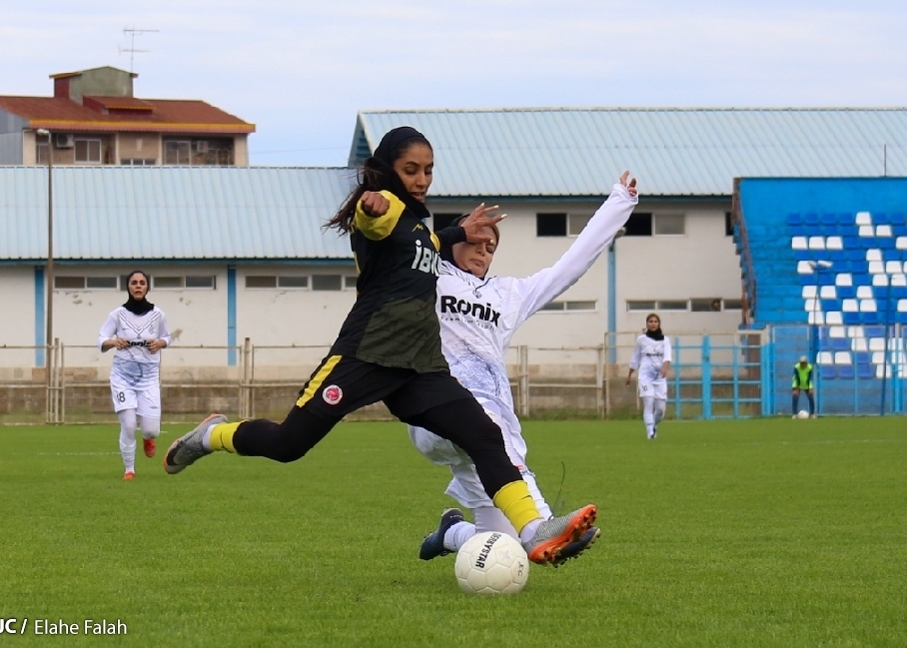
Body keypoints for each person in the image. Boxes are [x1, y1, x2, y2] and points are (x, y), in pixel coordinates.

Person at [163, 126, 597, 565]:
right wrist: (370, 206)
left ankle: (534, 528)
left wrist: (458, 230)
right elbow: (376, 221)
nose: (422, 179)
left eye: (428, 170)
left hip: (421, 367)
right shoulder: (386, 207)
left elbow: (426, 244)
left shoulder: (420, 227)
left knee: (485, 434)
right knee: (287, 444)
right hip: (366, 355)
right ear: (387, 171)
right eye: (411, 170)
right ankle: (210, 436)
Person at [411, 172, 639, 563]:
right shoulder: (429, 278)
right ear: (455, 241)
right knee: (495, 439)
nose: (483, 250)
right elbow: (401, 246)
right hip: (437, 409)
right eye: (475, 241)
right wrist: (447, 232)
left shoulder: (508, 295)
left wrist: (619, 202)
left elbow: (571, 265)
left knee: (500, 544)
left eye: (491, 246)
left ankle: (452, 533)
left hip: (485, 422)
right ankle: (544, 525)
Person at [97, 270, 171, 479]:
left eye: (142, 283)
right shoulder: (117, 314)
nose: (138, 286)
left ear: (147, 287)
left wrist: (161, 343)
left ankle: (149, 438)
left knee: (151, 430)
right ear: (128, 287)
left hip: (148, 379)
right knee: (129, 425)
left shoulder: (158, 314)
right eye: (134, 283)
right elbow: (101, 339)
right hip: (122, 378)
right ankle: (129, 469)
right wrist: (113, 342)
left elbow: (167, 336)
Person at [626, 313, 672, 439]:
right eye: (650, 321)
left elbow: (667, 356)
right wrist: (630, 374)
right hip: (645, 376)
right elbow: (635, 357)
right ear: (647, 324)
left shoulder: (665, 340)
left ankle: (653, 426)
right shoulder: (641, 340)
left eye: (655, 321)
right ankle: (650, 433)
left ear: (659, 324)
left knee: (660, 409)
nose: (653, 324)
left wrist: (665, 368)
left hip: (659, 377)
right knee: (649, 402)